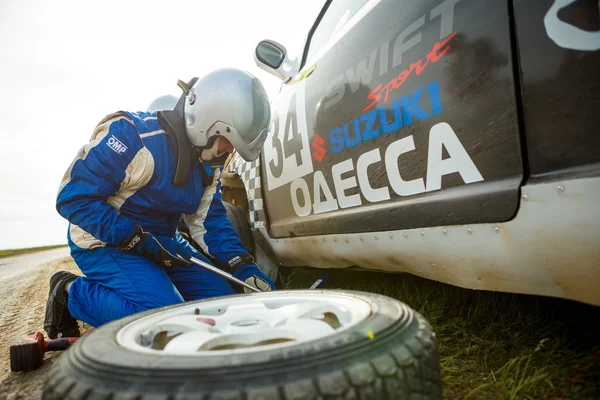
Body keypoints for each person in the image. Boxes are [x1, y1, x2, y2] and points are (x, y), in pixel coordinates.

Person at [44, 68, 275, 339]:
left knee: (222, 306)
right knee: (165, 319)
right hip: (105, 242)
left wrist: (242, 267)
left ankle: (156, 286)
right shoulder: (134, 138)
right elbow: (73, 198)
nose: (230, 150)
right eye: (227, 140)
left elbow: (208, 222)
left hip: (163, 244)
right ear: (208, 123)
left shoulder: (207, 165)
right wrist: (134, 238)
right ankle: (69, 292)